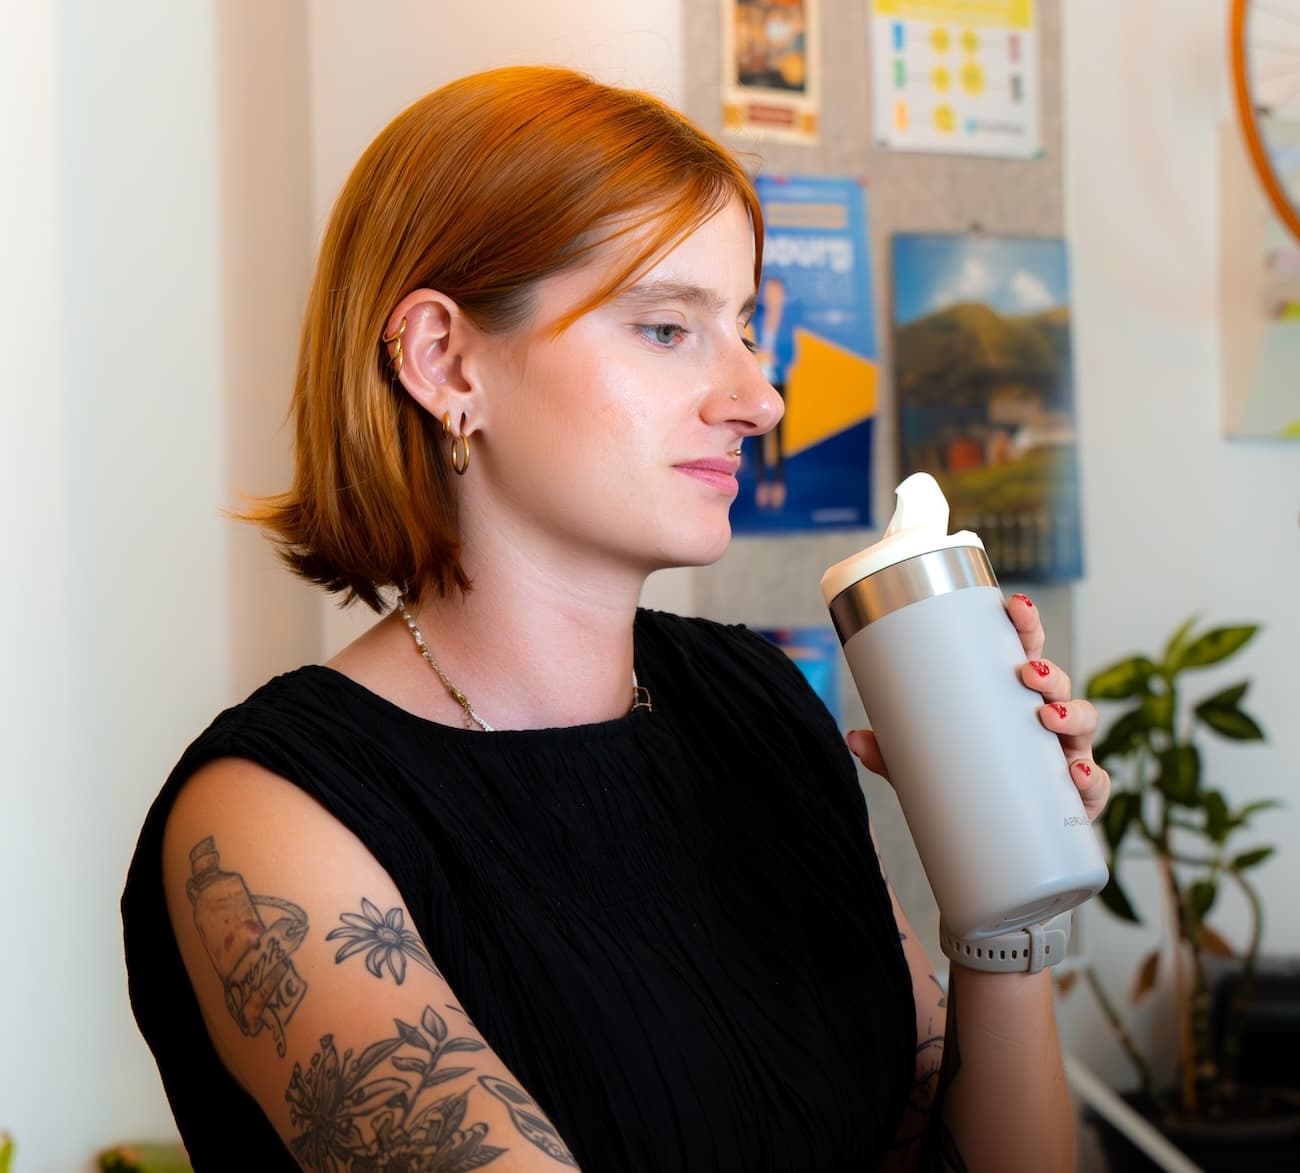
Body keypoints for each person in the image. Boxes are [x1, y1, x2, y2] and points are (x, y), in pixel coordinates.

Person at [121, 65, 1110, 1172]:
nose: (758, 396)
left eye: (744, 324)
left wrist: (1001, 895)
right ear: (445, 361)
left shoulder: (760, 705)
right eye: (664, 328)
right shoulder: (271, 823)